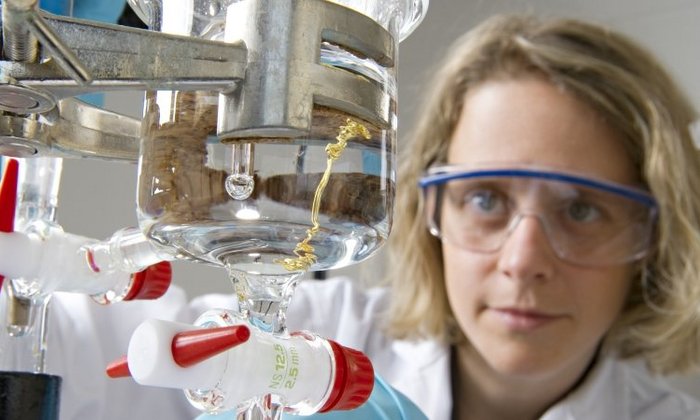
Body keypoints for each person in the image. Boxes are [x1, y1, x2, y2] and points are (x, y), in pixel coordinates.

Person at [29, 13, 700, 420]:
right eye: (486, 200)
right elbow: (93, 351)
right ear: (428, 207)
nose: (523, 261)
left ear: (656, 236)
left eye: (581, 209)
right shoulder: (325, 332)